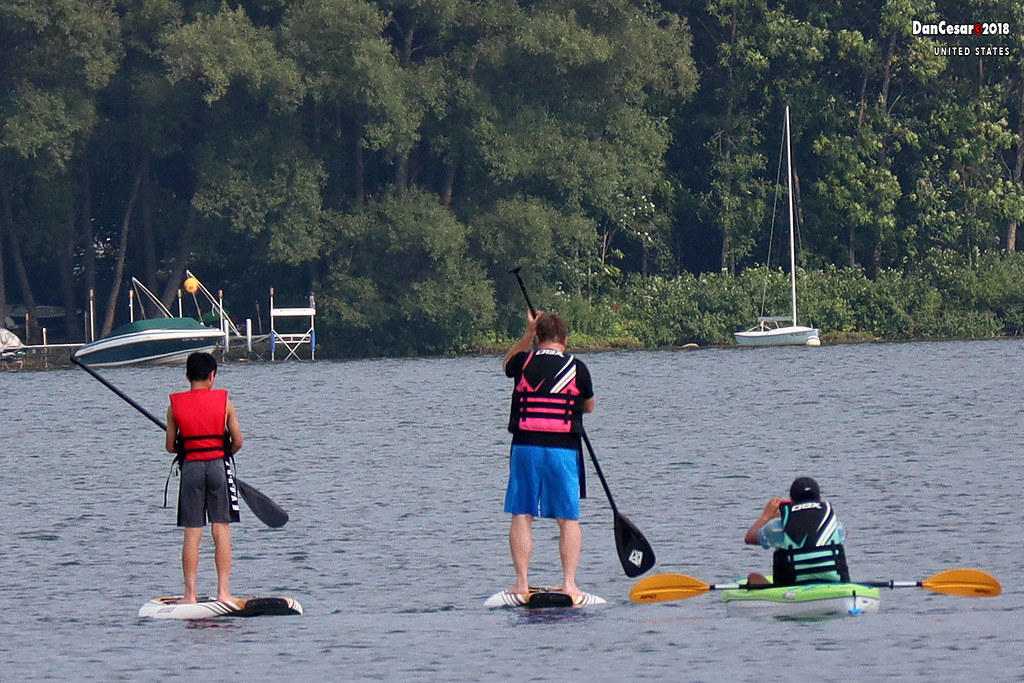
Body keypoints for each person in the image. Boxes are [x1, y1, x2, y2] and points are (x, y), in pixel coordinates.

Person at [502, 310, 595, 598]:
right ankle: (569, 584)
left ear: (538, 338)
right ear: (565, 340)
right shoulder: (577, 368)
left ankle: (521, 583)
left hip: (525, 447)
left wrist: (527, 333)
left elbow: (506, 363)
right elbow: (589, 407)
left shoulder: (522, 362)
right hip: (563, 450)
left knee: (521, 514)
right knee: (568, 518)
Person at [165, 351, 244, 605]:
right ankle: (223, 592)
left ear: (187, 376)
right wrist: (222, 451)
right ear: (212, 377)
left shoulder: (174, 406)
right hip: (218, 467)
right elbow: (238, 441)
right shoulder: (226, 403)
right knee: (220, 529)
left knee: (192, 533)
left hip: (191, 469)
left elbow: (170, 446)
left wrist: (185, 445)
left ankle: (190, 595)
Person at [743, 476, 848, 586]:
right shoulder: (836, 526)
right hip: (835, 585)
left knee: (753, 577)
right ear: (820, 500)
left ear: (791, 501)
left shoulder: (777, 527)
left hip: (791, 587)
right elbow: (845, 534)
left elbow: (749, 538)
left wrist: (766, 516)